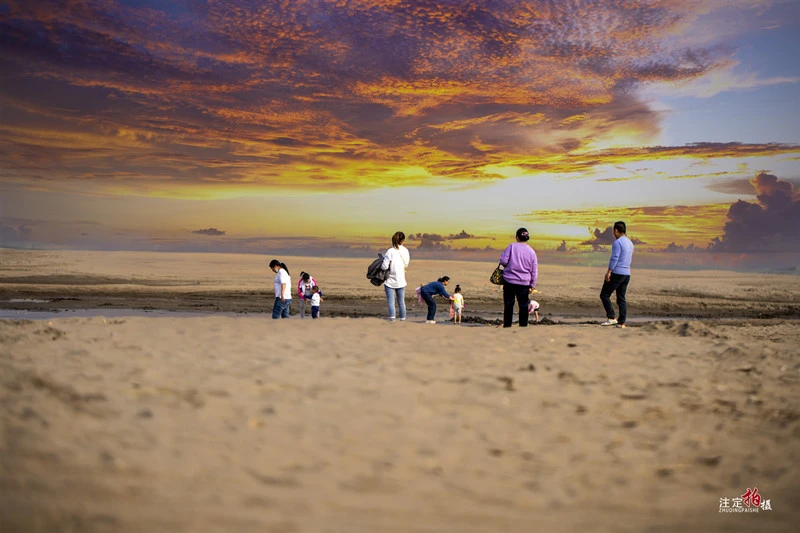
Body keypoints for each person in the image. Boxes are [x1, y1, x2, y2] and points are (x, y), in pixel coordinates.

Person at [499, 227, 538, 328]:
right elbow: (534, 270)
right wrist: (532, 285)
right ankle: (523, 327)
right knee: (523, 306)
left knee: (508, 305)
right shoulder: (532, 252)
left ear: (517, 237)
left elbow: (503, 261)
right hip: (524, 283)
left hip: (509, 281)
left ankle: (507, 326)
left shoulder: (511, 246)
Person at [600, 221, 634, 328]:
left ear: (616, 230)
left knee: (604, 294)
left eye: (613, 232)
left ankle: (611, 317)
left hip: (617, 273)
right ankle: (622, 322)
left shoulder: (617, 243)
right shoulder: (630, 243)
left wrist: (609, 272)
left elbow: (615, 258)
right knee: (621, 298)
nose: (613, 235)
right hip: (626, 274)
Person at [381, 231, 411, 322]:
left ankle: (392, 320)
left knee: (391, 302)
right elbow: (406, 263)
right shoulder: (405, 251)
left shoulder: (390, 251)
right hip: (401, 280)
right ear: (403, 240)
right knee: (401, 302)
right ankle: (403, 320)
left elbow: (384, 266)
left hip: (389, 280)